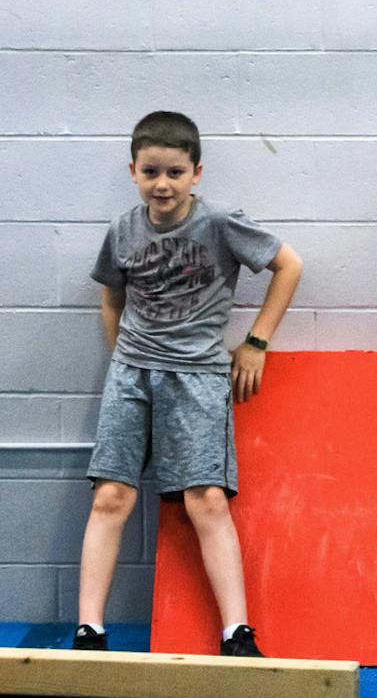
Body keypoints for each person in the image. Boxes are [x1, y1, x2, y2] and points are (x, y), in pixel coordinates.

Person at [74, 110, 303, 660]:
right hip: (133, 375)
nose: (163, 184)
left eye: (175, 172)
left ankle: (237, 632)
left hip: (198, 378)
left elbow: (289, 265)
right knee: (111, 496)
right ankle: (88, 631)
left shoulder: (220, 223)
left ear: (196, 172)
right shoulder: (123, 230)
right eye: (151, 171)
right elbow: (111, 298)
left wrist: (257, 342)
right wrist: (124, 358)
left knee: (205, 500)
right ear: (133, 170)